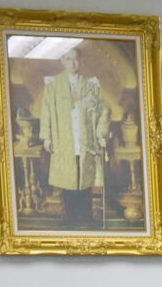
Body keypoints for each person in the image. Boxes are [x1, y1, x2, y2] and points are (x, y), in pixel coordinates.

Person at [38, 47, 110, 230]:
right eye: (68, 59)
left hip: (85, 138)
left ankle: (86, 217)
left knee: (84, 176)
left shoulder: (90, 84)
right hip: (64, 137)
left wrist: (101, 132)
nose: (72, 63)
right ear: (62, 60)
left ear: (81, 60)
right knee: (68, 177)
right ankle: (70, 217)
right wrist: (47, 137)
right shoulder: (53, 84)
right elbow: (46, 111)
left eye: (75, 59)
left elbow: (102, 109)